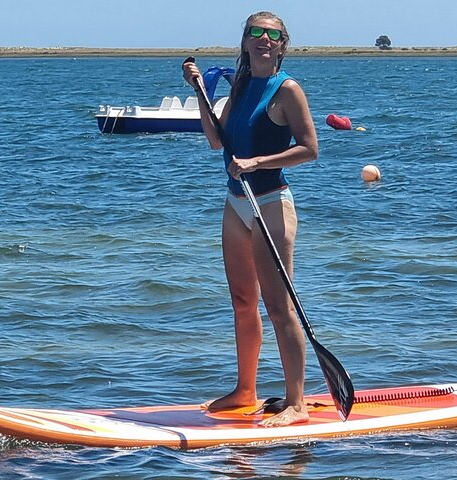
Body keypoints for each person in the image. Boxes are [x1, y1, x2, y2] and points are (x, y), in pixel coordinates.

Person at [182, 11, 318, 427]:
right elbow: (214, 139)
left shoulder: (287, 89)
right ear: (245, 42)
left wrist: (259, 161)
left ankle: (295, 403)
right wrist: (199, 90)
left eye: (271, 35)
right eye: (256, 33)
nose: (263, 39)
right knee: (243, 302)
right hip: (236, 203)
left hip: (271, 204)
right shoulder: (239, 86)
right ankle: (246, 390)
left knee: (279, 307)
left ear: (282, 44)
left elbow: (309, 148)